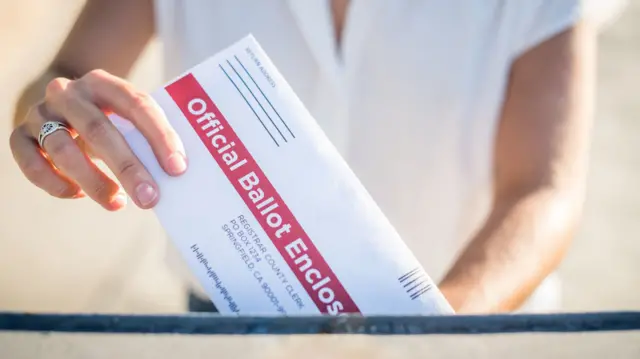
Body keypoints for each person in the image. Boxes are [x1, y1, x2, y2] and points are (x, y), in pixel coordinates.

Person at [9, 0, 625, 313]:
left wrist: (440, 323)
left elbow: (543, 187)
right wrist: (53, 118)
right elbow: (62, 79)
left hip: (464, 311)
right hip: (236, 304)